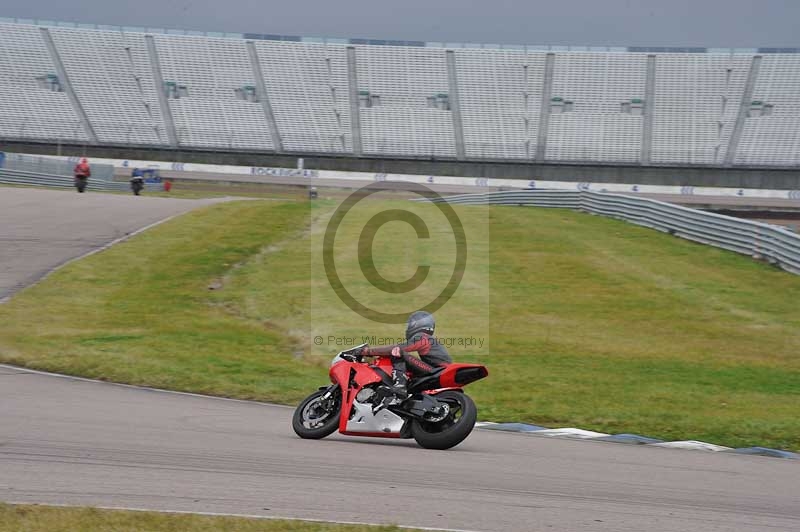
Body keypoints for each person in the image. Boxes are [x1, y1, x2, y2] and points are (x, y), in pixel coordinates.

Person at [362, 311, 452, 403]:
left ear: (416, 324)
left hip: (437, 371)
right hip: (438, 371)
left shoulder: (422, 337)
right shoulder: (428, 338)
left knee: (397, 351)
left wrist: (368, 351)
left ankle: (400, 385)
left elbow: (402, 348)